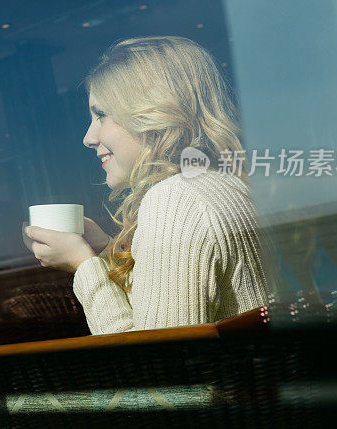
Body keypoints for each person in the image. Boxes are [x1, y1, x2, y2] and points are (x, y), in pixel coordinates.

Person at [22, 36, 268, 334]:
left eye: (101, 115)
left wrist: (84, 266)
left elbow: (160, 369)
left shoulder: (176, 200)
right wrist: (104, 252)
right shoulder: (225, 184)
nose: (89, 137)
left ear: (152, 113)